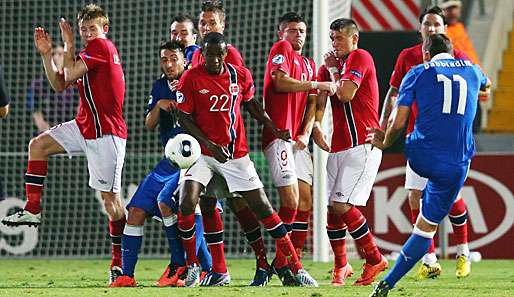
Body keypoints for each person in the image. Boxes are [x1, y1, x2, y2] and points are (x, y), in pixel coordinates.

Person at [175, 32, 318, 288]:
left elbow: (252, 105)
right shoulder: (191, 77)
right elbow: (183, 117)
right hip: (204, 154)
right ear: (202, 55)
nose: (214, 60)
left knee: (263, 209)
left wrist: (273, 127)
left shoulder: (239, 75)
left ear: (224, 54)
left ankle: (295, 267)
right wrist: (208, 144)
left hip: (235, 155)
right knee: (187, 202)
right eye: (208, 55)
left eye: (218, 55)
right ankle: (193, 266)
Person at [1, 4, 127, 285]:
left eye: (91, 28)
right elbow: (59, 83)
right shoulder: (87, 53)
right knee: (38, 145)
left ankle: (119, 263)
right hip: (84, 126)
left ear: (104, 29)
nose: (87, 33)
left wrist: (68, 43)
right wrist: (47, 55)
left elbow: (68, 74)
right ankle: (32, 209)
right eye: (83, 29)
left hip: (107, 134)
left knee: (112, 204)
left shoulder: (102, 47)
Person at [368, 33, 489, 297]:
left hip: (421, 154)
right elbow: (486, 87)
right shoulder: (473, 69)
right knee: (428, 226)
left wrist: (384, 142)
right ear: (453, 52)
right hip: (457, 163)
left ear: (425, 53)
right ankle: (391, 281)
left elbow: (399, 122)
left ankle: (401, 276)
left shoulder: (417, 72)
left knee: (420, 214)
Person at [109, 41, 212, 288]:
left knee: (172, 204)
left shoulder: (196, 81)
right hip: (169, 162)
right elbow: (148, 124)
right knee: (135, 211)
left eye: (173, 58)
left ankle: (185, 266)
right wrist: (159, 106)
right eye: (164, 59)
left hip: (195, 162)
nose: (168, 64)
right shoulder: (159, 86)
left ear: (184, 60)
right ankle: (127, 275)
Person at [190, 1, 274, 286]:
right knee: (206, 202)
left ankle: (266, 263)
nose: (206, 27)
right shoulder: (195, 59)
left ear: (222, 26)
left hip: (229, 151)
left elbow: (238, 100)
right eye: (203, 23)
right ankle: (217, 269)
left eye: (212, 23)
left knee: (241, 205)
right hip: (203, 149)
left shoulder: (230, 57)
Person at [262, 11, 336, 286]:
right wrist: (317, 83)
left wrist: (307, 131)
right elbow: (280, 83)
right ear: (281, 33)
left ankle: (285, 264)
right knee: (291, 202)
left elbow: (311, 104)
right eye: (292, 30)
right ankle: (291, 265)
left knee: (304, 202)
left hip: (297, 141)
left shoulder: (308, 63)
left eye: (302, 30)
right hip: (278, 136)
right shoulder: (281, 51)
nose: (299, 35)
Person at [312, 18, 388, 287]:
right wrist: (317, 125)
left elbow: (344, 94)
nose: (335, 43)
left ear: (354, 39)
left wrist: (332, 71)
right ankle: (340, 266)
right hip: (339, 145)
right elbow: (320, 98)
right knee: (333, 209)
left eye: (339, 38)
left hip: (362, 144)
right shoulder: (329, 66)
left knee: (343, 204)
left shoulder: (360, 57)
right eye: (332, 38)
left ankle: (374, 257)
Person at [441, 0, 485, 132]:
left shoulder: (459, 28)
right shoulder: (443, 32)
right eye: (449, 9)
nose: (453, 12)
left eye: (455, 8)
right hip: (458, 82)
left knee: (475, 118)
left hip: (472, 78)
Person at [27, 44, 77, 134]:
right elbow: (35, 112)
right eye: (53, 54)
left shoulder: (74, 84)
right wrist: (49, 132)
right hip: (46, 133)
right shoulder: (37, 85)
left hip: (69, 133)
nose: (56, 57)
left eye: (60, 54)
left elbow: (79, 111)